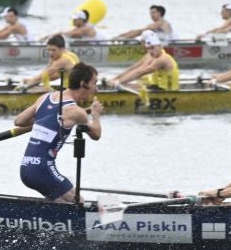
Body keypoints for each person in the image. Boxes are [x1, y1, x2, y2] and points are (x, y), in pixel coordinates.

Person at [14, 61, 103, 203]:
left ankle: (43, 221)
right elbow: (96, 134)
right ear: (83, 83)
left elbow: (19, 121)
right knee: (77, 202)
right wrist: (96, 114)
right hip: (43, 169)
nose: (96, 88)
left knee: (65, 202)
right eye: (94, 83)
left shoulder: (44, 98)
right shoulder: (76, 112)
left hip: (26, 167)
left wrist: (44, 119)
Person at [104, 30, 180, 95]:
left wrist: (119, 81)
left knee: (124, 85)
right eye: (148, 49)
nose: (150, 51)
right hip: (156, 87)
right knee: (125, 85)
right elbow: (134, 68)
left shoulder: (162, 59)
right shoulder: (151, 55)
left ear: (160, 46)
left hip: (168, 91)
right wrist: (115, 79)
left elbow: (140, 72)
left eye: (153, 48)